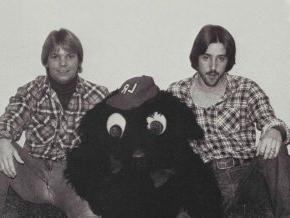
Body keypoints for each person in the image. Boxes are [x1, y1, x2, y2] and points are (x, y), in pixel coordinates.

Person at [168, 24, 290, 217]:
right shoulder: (176, 93)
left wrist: (275, 131)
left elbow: (270, 120)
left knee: (276, 149)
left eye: (221, 58)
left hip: (248, 176)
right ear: (196, 58)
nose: (213, 67)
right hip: (207, 181)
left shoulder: (246, 88)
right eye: (206, 58)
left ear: (228, 60)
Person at [0, 28, 109, 217]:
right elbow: (12, 117)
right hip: (31, 171)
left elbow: (111, 138)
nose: (63, 63)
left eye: (70, 56)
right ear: (46, 62)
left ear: (79, 60)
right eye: (55, 56)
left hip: (71, 178)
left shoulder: (97, 95)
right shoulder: (33, 89)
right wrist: (3, 139)